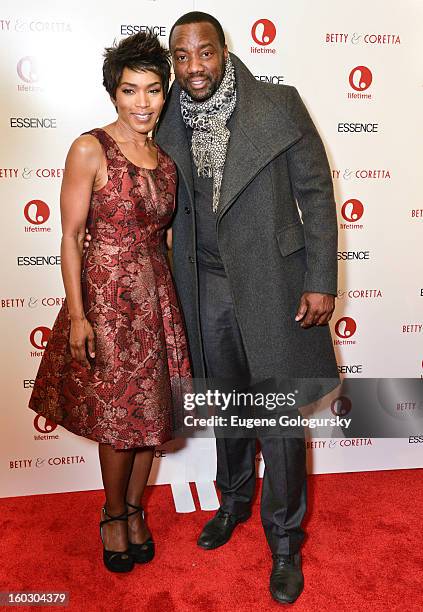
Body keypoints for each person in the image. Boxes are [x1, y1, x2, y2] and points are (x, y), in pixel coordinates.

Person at [157, 12, 339, 605]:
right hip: (204, 283)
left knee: (278, 420)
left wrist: (320, 281)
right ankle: (232, 503)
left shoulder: (278, 104)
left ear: (224, 51)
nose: (193, 69)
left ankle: (285, 541)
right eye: (180, 57)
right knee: (227, 403)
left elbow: (315, 191)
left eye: (203, 54)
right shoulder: (167, 122)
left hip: (273, 283)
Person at [28, 32, 191, 574]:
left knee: (151, 416)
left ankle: (136, 508)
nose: (142, 103)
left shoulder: (166, 163)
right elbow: (71, 236)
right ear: (113, 94)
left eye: (152, 90)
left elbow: (164, 239)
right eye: (129, 90)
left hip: (154, 298)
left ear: (165, 94)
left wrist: (170, 310)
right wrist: (78, 315)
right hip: (105, 300)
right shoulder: (90, 147)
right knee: (119, 420)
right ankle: (112, 513)